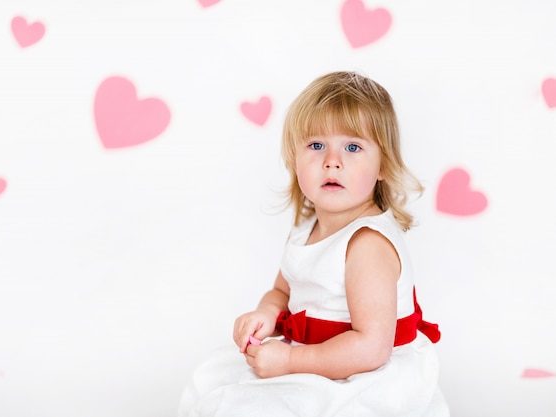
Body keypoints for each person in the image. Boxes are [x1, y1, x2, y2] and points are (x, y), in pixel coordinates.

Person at [178, 71, 449, 417]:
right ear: (294, 158)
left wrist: (291, 360)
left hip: (362, 374)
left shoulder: (367, 245)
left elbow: (371, 348)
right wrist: (267, 315)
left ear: (383, 165)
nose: (331, 161)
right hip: (314, 356)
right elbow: (282, 291)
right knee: (212, 382)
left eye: (353, 147)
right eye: (316, 145)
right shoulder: (307, 229)